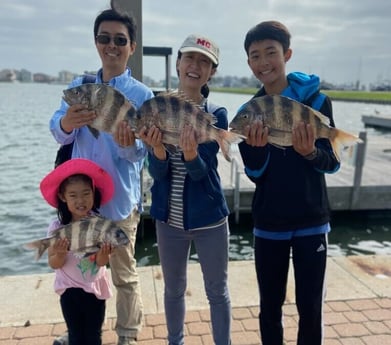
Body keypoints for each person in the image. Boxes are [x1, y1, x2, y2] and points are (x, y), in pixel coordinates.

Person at [49, 6, 154, 345]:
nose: (112, 46)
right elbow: (57, 130)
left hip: (120, 201)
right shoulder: (80, 87)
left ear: (132, 47)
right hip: (81, 203)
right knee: (78, 269)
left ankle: (127, 335)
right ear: (96, 43)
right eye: (105, 38)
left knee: (124, 274)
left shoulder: (143, 96)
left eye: (120, 40)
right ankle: (80, 331)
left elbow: (141, 154)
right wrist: (67, 123)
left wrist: (126, 143)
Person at [237, 21, 340, 345]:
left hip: (312, 220)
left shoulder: (318, 103)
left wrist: (310, 153)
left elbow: (332, 161)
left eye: (271, 52)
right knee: (270, 306)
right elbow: (255, 176)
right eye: (256, 56)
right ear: (250, 64)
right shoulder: (250, 112)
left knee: (310, 307)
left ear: (287, 54)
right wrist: (257, 150)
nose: (264, 62)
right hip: (269, 224)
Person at [139, 34, 231, 345]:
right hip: (169, 220)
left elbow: (202, 173)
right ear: (179, 63)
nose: (195, 66)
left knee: (217, 291)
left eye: (204, 61)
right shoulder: (157, 106)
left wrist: (191, 154)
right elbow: (159, 174)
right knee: (173, 289)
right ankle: (174, 341)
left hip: (210, 220)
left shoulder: (216, 115)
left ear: (212, 71)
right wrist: (158, 151)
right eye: (190, 58)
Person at [40, 158, 115, 345]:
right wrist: (60, 254)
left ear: (93, 194)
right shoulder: (57, 228)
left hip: (94, 289)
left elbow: (100, 263)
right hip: (69, 290)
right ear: (63, 197)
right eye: (73, 195)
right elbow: (54, 264)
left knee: (93, 336)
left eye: (86, 193)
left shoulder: (101, 225)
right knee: (75, 335)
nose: (80, 200)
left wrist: (104, 255)